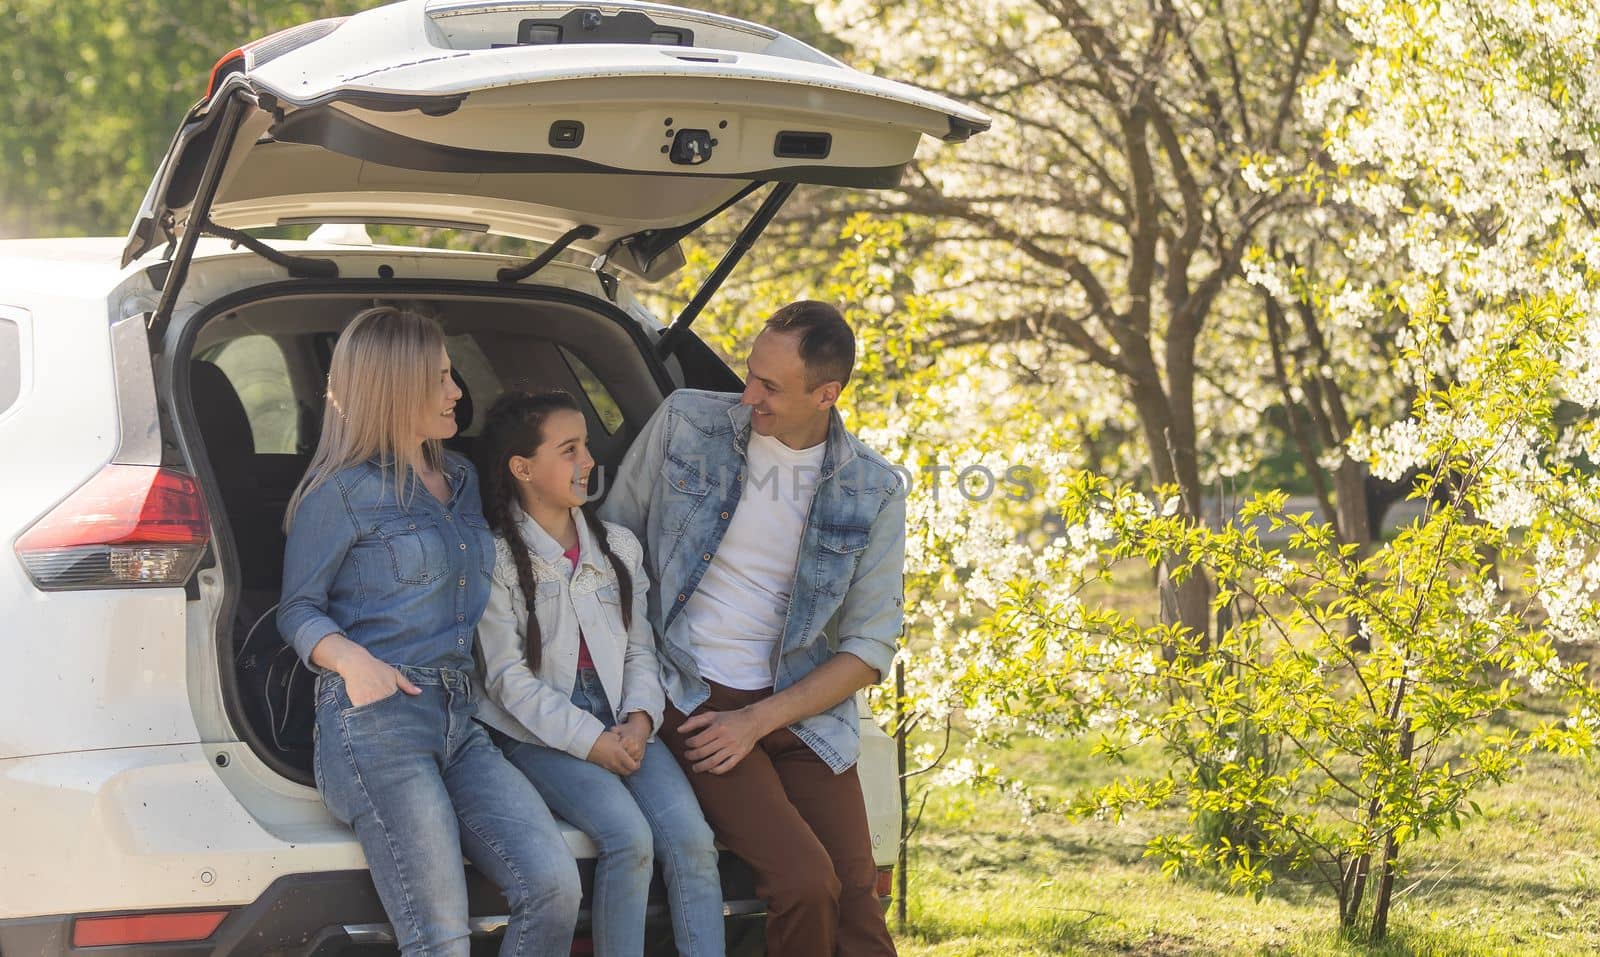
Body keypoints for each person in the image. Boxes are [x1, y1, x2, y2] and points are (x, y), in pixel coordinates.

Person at [601, 300, 904, 957]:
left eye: (770, 386)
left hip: (800, 713)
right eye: (750, 373)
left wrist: (761, 719)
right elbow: (610, 548)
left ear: (827, 394)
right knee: (803, 882)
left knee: (859, 899)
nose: (749, 395)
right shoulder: (687, 422)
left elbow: (869, 647)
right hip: (693, 694)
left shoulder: (873, 489)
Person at [278, 306, 580, 957]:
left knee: (555, 889)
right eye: (440, 378)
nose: (456, 392)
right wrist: (353, 660)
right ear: (393, 386)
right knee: (440, 938)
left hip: (459, 717)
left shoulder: (464, 479)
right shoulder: (339, 493)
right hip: (376, 721)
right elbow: (297, 610)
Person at [471, 390, 726, 957]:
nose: (588, 461)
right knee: (628, 839)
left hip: (624, 721)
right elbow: (507, 680)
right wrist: (590, 743)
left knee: (693, 843)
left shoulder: (616, 548)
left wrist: (638, 722)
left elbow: (640, 650)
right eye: (569, 450)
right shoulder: (496, 561)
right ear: (523, 469)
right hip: (542, 732)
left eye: (585, 446)